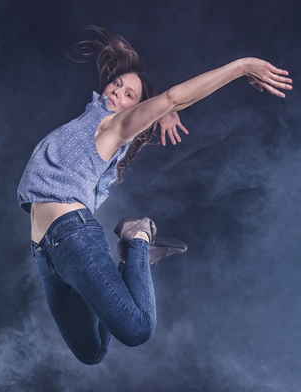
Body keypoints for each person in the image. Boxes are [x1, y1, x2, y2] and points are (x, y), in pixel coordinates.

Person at [17, 27, 292, 365]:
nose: (118, 92)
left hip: (70, 236)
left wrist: (243, 66)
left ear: (136, 110)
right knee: (92, 352)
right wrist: (158, 110)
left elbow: (177, 96)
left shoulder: (110, 127)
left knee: (138, 328)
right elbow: (163, 104)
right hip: (45, 253)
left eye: (130, 94)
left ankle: (138, 237)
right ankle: (133, 263)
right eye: (117, 84)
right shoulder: (90, 119)